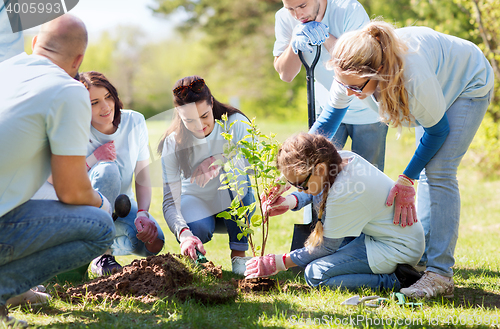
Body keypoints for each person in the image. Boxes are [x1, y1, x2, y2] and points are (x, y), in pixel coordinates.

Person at [307, 20, 494, 298]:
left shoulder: (413, 77)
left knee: (439, 171)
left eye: (357, 88)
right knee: (430, 168)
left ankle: (440, 273)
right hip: (434, 82)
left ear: (379, 72)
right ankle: (421, 261)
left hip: (467, 82)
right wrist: (295, 166)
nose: (349, 93)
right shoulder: (350, 70)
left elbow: (437, 130)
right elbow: (328, 122)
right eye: (344, 85)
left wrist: (407, 178)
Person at [0, 15, 115, 326]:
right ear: (79, 61)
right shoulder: (67, 90)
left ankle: (15, 289)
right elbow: (71, 190)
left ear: (35, 43)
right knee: (101, 227)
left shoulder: (5, 70)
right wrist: (102, 203)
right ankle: (4, 288)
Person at [245, 133, 425, 292]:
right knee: (320, 263)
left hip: (398, 248)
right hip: (384, 237)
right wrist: (289, 201)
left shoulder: (344, 191)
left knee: (315, 274)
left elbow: (325, 247)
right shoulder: (339, 161)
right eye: (295, 185)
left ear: (320, 169)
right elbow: (316, 189)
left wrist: (277, 262)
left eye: (301, 185)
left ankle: (397, 280)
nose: (299, 189)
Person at [33, 71, 165, 276]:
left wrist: (143, 213)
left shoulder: (135, 121)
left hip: (119, 210)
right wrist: (94, 158)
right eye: (94, 102)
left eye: (108, 97)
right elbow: (52, 177)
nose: (105, 107)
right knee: (108, 171)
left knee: (155, 243)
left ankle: (91, 251)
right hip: (84, 212)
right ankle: (102, 254)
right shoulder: (75, 129)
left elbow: (143, 175)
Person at [273, 0, 388, 171]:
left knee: (369, 174)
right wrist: (293, 44)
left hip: (366, 108)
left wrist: (325, 36)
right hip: (327, 106)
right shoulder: (284, 18)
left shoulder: (349, 9)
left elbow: (358, 61)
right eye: (291, 9)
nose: (298, 15)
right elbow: (286, 74)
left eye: (303, 6)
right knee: (323, 174)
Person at [159, 75, 255, 275]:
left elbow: (254, 166)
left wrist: (220, 160)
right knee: (195, 228)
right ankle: (197, 259)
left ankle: (239, 257)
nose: (199, 126)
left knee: (233, 172)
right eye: (190, 121)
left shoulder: (234, 122)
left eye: (204, 116)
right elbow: (170, 202)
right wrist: (184, 233)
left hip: (233, 201)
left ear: (211, 103)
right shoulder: (173, 141)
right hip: (196, 201)